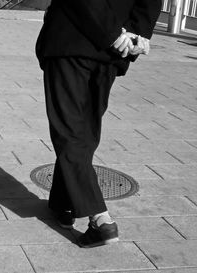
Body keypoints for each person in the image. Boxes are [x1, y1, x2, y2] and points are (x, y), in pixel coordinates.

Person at [36, 0, 162, 248]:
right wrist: (135, 34)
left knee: (71, 133)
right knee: (84, 132)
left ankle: (100, 220)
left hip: (73, 40)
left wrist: (115, 35)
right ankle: (64, 204)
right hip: (111, 53)